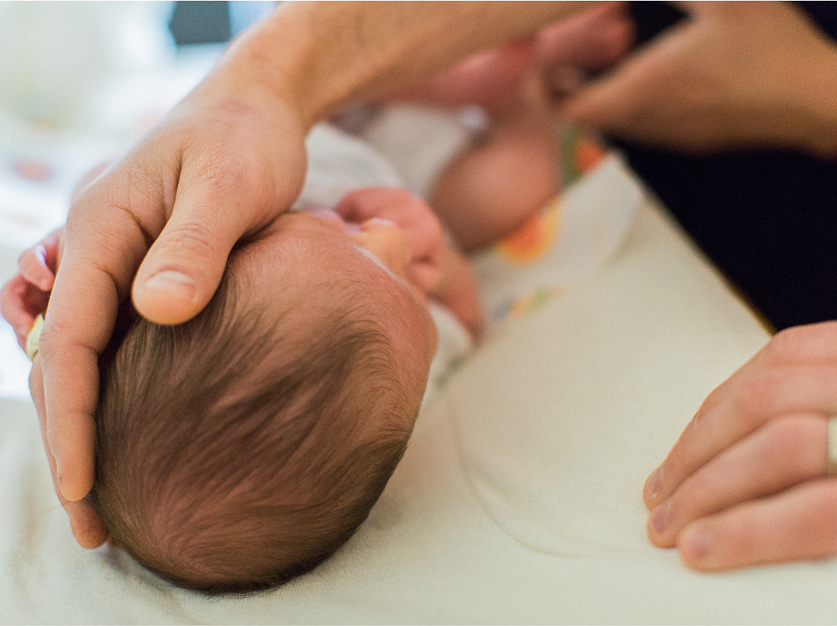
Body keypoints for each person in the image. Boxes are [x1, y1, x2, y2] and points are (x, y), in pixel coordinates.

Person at [10, 0, 837, 573]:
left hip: (348, 113)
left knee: (434, 79)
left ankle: (512, 71)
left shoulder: (225, 217)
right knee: (510, 175)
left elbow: (114, 220)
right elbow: (456, 327)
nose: (394, 238)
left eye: (341, 231)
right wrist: (440, 289)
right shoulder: (377, 381)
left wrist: (51, 268)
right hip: (446, 166)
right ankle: (525, 97)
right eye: (407, 288)